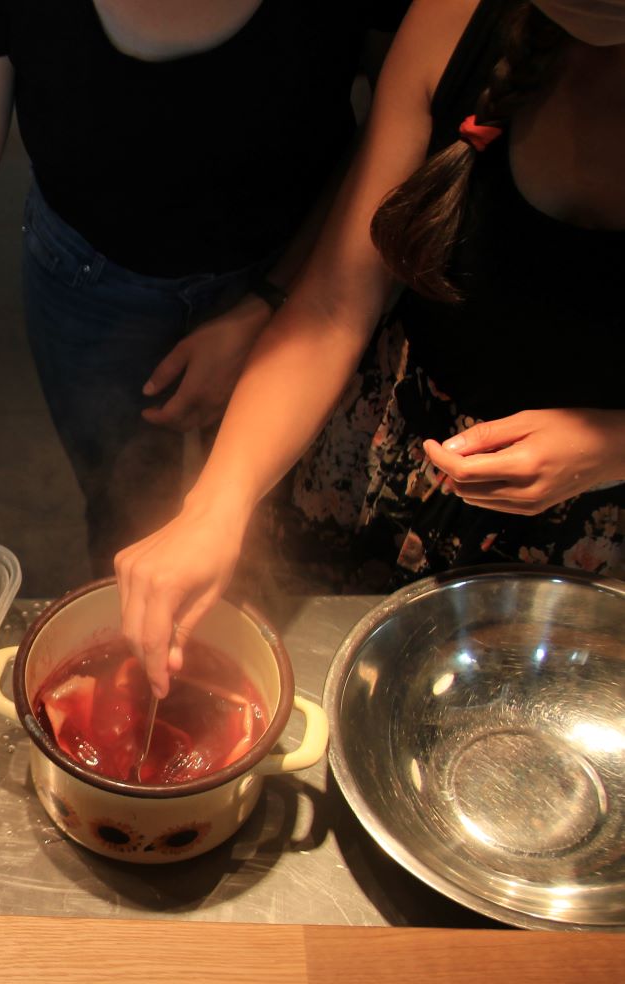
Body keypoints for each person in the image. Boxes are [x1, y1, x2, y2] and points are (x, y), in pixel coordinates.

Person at [117, 0, 625, 698]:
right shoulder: (455, 21)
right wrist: (215, 506)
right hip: (380, 454)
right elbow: (333, 304)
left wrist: (611, 447)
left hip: (588, 528)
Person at [0, 1, 394, 569]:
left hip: (308, 267)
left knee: (274, 529)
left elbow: (395, 140)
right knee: (123, 516)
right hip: (86, 278)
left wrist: (273, 302)